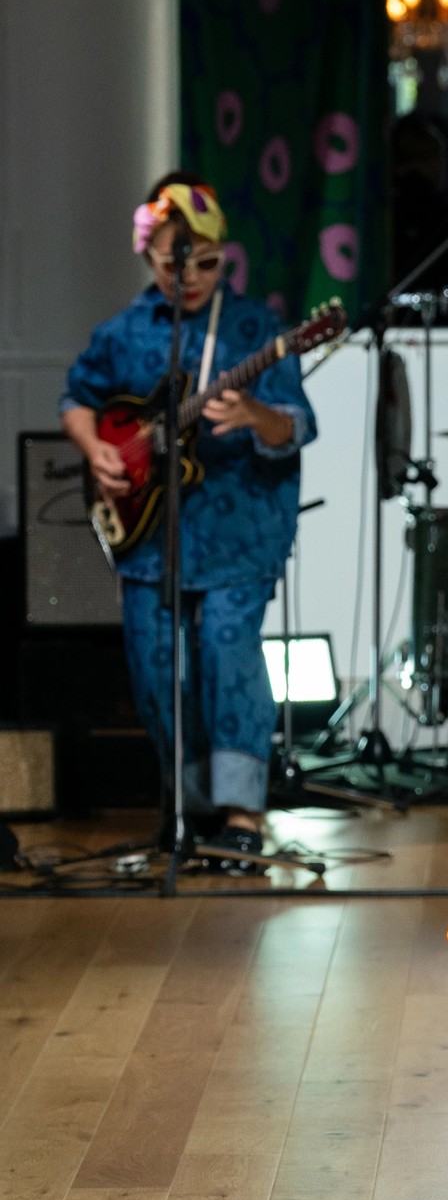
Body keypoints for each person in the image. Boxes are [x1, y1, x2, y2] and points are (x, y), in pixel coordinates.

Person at [59, 174, 317, 868]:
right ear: (150, 258)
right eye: (180, 263)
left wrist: (252, 415)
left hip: (239, 530)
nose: (196, 277)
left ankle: (242, 811)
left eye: (209, 262)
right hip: (149, 535)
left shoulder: (256, 329)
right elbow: (78, 399)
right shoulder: (122, 332)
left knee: (227, 655)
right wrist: (98, 452)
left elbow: (297, 423)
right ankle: (187, 804)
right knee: (155, 665)